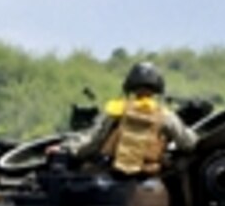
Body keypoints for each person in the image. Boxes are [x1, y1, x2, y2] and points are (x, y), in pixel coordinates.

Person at [55, 62, 198, 176]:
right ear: (158, 88)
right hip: (149, 179)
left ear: (130, 86)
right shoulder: (165, 115)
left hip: (115, 177)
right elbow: (188, 143)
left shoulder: (116, 110)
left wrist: (66, 149)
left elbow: (92, 142)